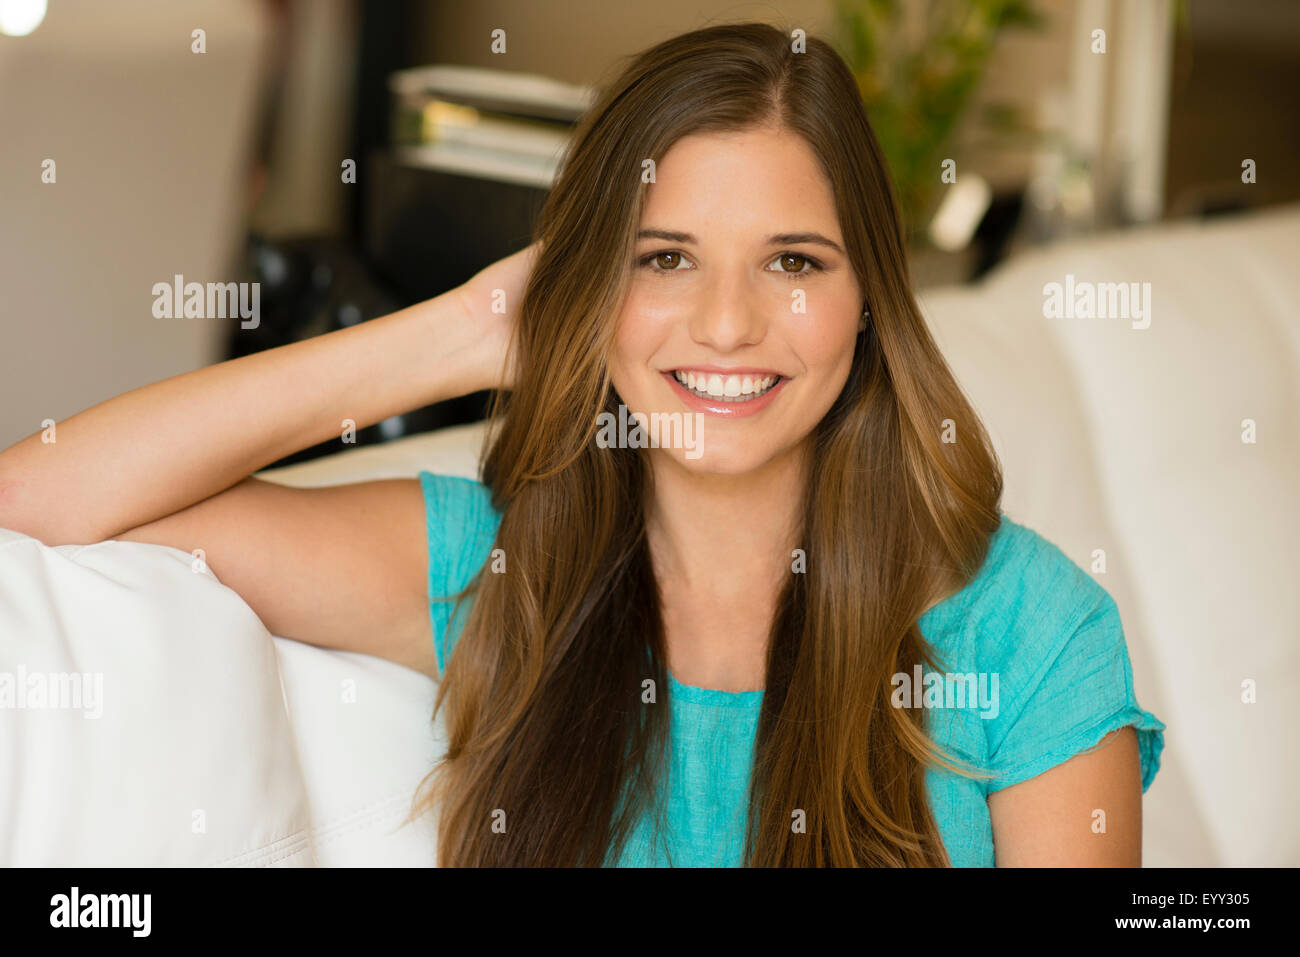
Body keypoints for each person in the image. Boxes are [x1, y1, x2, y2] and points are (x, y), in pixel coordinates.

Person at [0, 22, 1163, 867]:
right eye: (663, 258)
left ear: (869, 298)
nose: (724, 322)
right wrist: (461, 334)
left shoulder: (1030, 630)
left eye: (793, 260)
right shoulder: (495, 569)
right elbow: (34, 496)